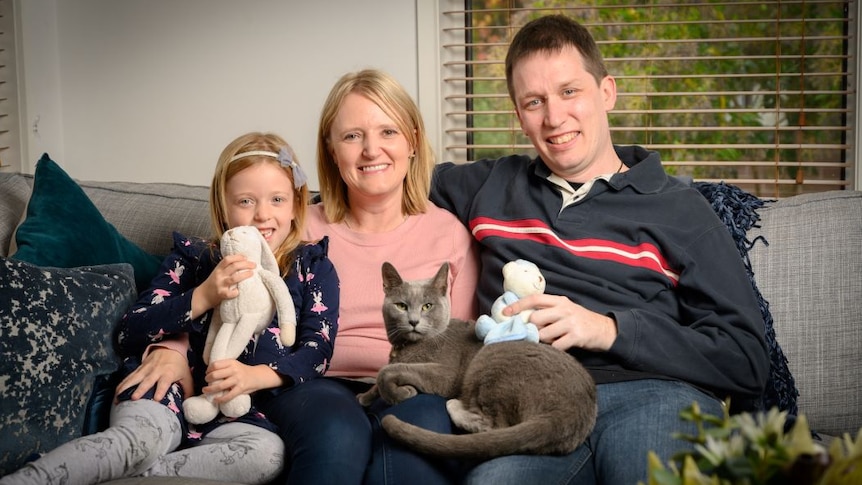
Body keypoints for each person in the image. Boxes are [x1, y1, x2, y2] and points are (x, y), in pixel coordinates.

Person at [428, 14, 771, 485]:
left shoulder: (680, 208)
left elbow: (747, 358)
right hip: (532, 403)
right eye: (534, 101)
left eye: (570, 92)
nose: (554, 117)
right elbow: (383, 176)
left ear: (606, 92)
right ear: (518, 114)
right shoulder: (489, 185)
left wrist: (609, 330)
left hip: (653, 396)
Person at [0, 132, 339, 485]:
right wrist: (204, 296)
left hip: (241, 414)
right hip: (165, 389)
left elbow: (318, 348)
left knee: (266, 455)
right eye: (245, 201)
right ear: (223, 206)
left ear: (296, 206)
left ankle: (123, 475)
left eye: (277, 199)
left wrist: (255, 377)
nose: (262, 215)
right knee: (138, 441)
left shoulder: (311, 267)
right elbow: (130, 329)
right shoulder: (193, 259)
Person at [293, 68, 479, 485]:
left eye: (388, 132)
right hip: (323, 383)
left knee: (412, 452)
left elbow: (456, 346)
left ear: (412, 141)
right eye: (352, 135)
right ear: (331, 149)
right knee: (337, 437)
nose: (371, 150)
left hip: (418, 386)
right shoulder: (298, 227)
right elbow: (217, 279)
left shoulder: (449, 234)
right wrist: (174, 350)